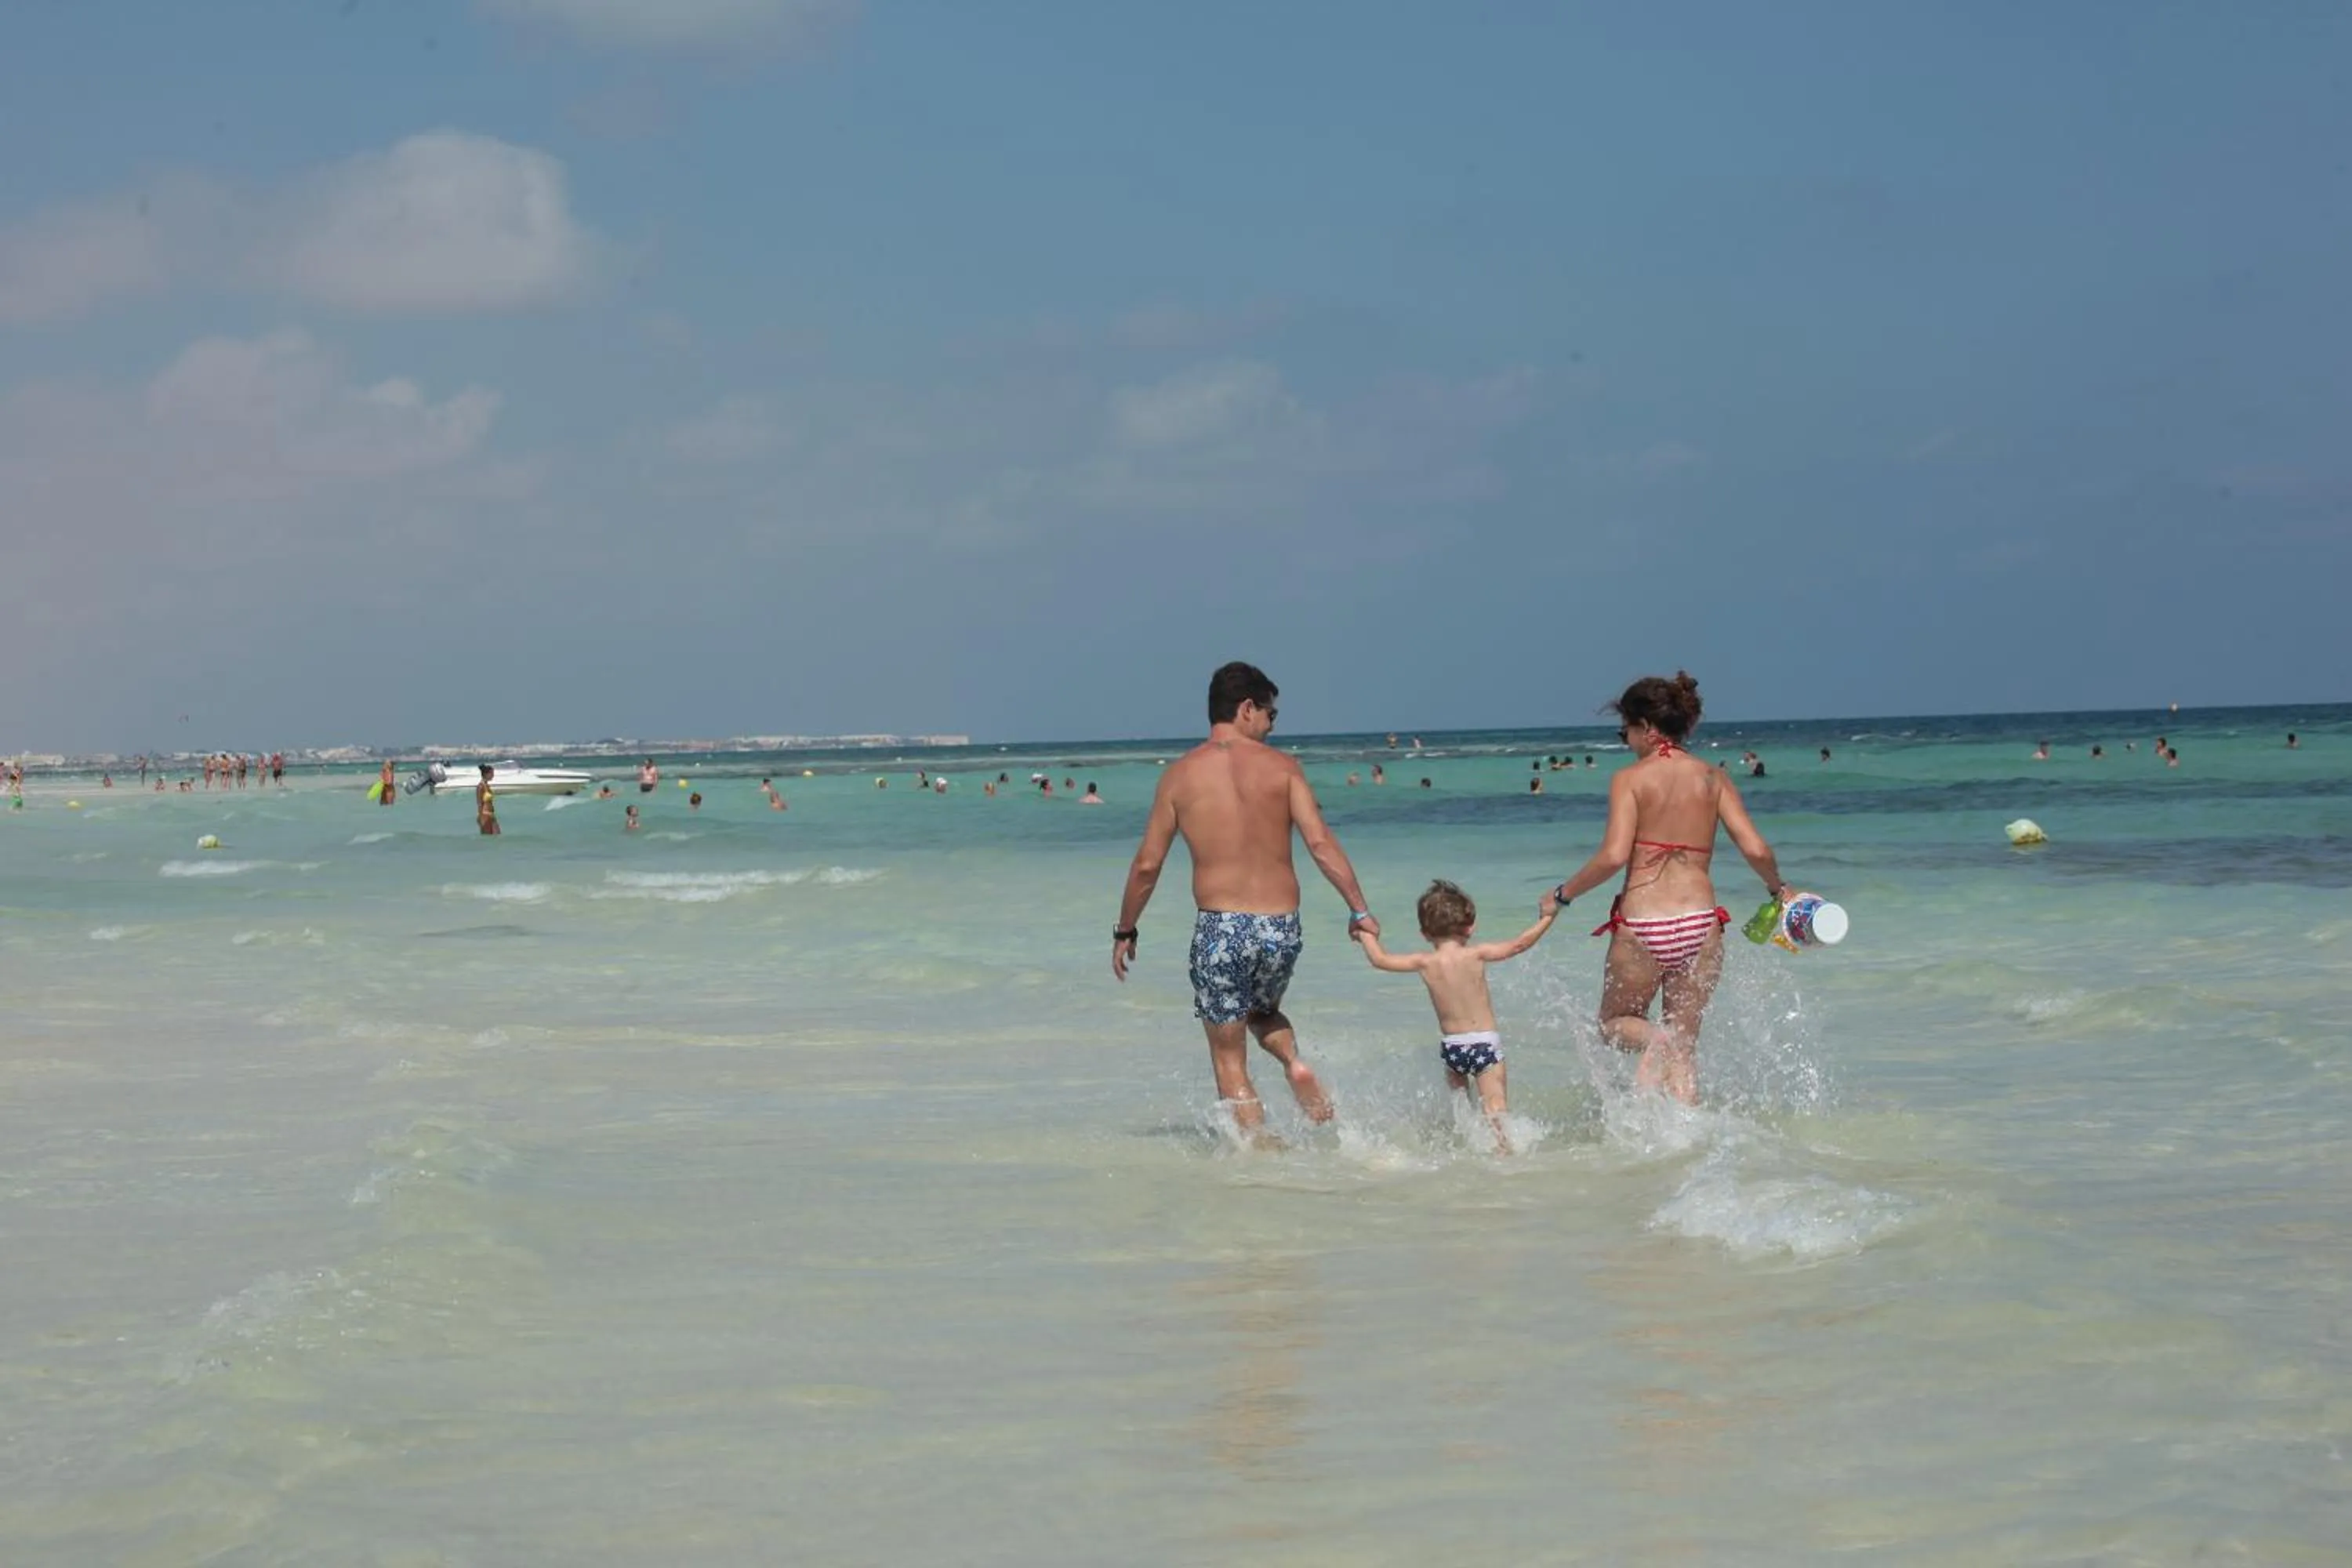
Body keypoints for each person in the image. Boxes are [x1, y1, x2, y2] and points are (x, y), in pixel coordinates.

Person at [1111, 662, 1375, 1142]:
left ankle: (1259, 1153)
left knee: (1229, 1057)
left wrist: (1125, 929)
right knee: (1262, 1012)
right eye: (1271, 715)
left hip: (1221, 930)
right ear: (1246, 708)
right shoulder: (1284, 770)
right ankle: (1294, 1062)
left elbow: (1148, 865)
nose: (1273, 727)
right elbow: (1320, 845)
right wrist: (1359, 910)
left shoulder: (1179, 777)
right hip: (1281, 927)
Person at [1552, 672, 1795, 1105]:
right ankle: (1689, 1140)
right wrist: (1779, 891)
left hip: (1645, 923)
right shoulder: (1712, 779)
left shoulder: (1630, 779)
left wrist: (1561, 896)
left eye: (1624, 729)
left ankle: (1656, 1044)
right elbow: (1756, 849)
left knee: (1614, 1024)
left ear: (1645, 726)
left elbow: (1612, 857)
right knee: (1684, 1045)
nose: (1625, 739)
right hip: (1701, 926)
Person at [1353, 881, 1560, 1152]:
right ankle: (1503, 1151)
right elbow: (1520, 945)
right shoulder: (1477, 954)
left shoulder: (1424, 962)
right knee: (1495, 1106)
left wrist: (1364, 934)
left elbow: (1380, 960)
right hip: (1484, 1045)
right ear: (1470, 926)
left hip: (1453, 1048)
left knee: (1463, 1110)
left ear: (1424, 934)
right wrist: (1547, 917)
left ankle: (1465, 1149)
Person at [474, 764, 500, 836]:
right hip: (485, 815)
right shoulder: (480, 787)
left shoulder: (487, 786)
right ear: (486, 774)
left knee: (496, 836)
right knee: (489, 836)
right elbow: (479, 803)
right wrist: (480, 817)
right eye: (491, 773)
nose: (493, 775)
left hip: (491, 815)